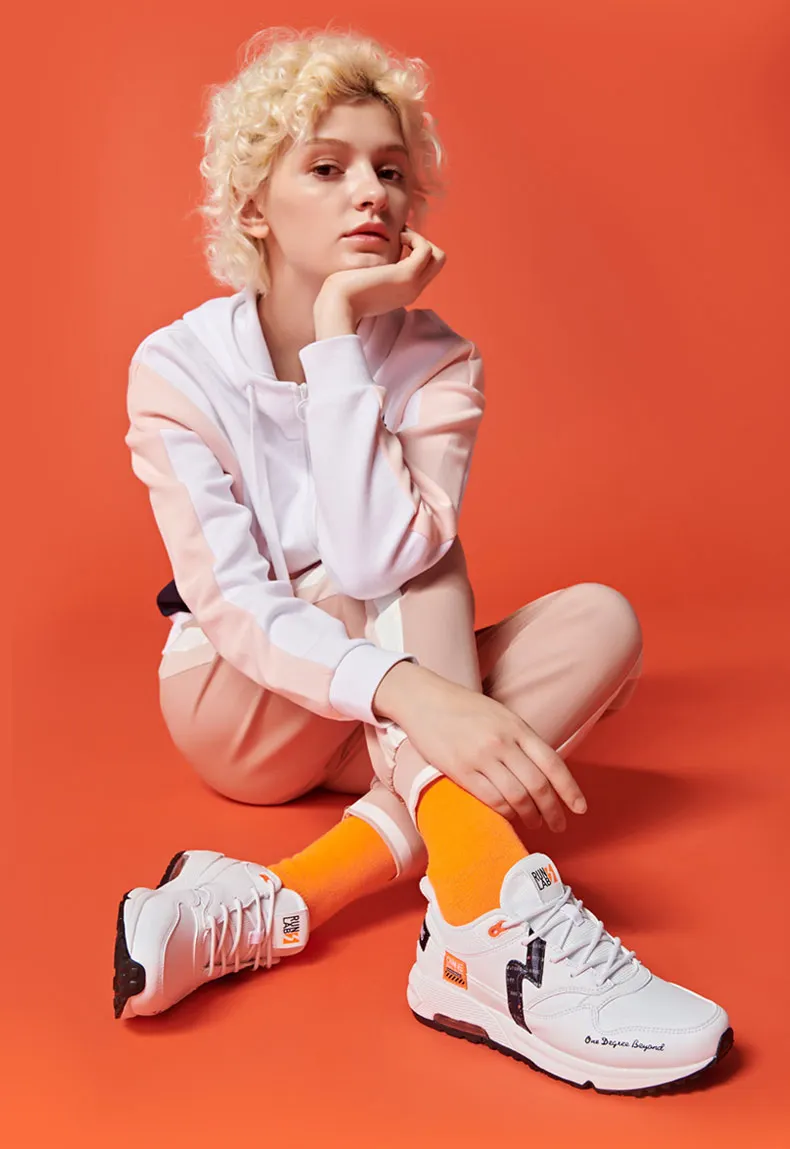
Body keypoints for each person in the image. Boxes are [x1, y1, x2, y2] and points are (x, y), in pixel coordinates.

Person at [113, 25, 733, 1095]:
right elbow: (240, 605)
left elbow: (373, 546)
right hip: (239, 708)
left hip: (371, 720)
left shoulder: (438, 359)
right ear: (254, 208)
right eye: (328, 167)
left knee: (601, 622)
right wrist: (415, 690)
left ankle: (286, 899)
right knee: (425, 565)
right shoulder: (176, 369)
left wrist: (341, 343)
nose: (373, 193)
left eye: (392, 172)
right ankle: (488, 918)